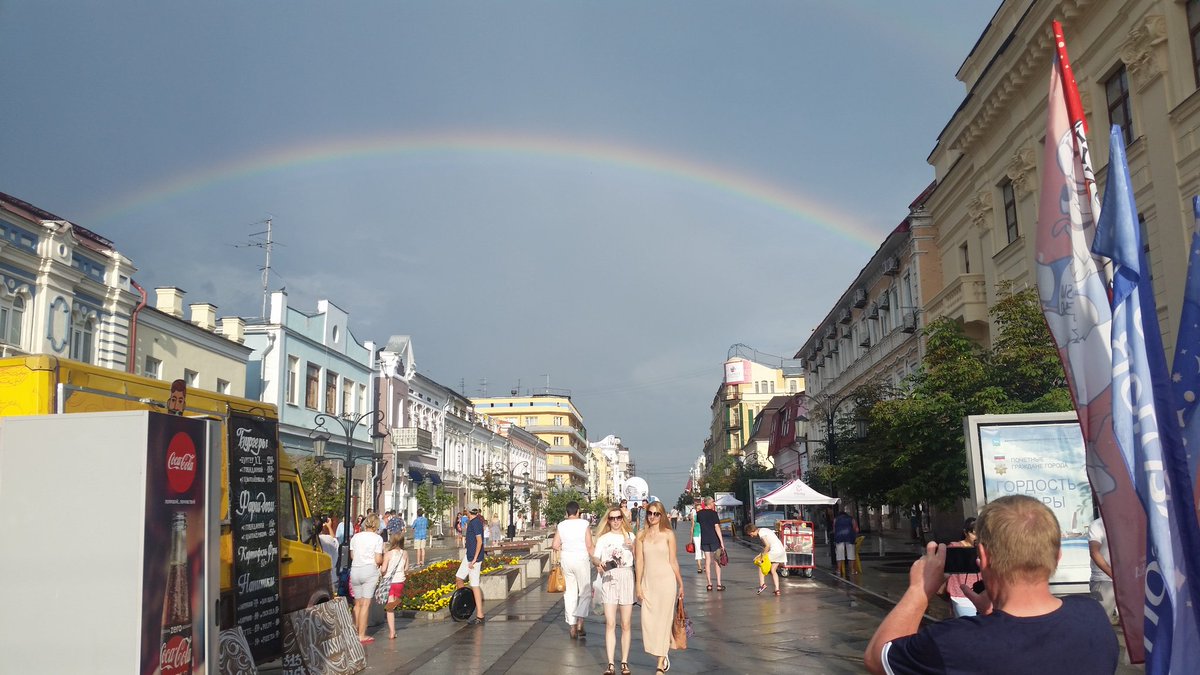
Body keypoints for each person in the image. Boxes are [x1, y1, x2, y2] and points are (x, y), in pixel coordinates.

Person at [863, 495, 1118, 675]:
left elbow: (878, 658)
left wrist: (919, 591)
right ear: (1057, 554)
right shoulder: (1093, 617)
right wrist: (991, 616)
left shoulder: (954, 641)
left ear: (983, 557)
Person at [635, 501, 684, 674]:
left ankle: (660, 662)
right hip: (648, 582)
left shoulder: (668, 534)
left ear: (662, 515)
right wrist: (638, 584)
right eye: (650, 513)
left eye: (656, 514)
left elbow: (673, 560)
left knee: (664, 621)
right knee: (648, 621)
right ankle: (662, 649)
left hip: (666, 582)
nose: (652, 517)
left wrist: (680, 583)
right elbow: (639, 561)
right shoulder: (641, 535)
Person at [592, 505, 636, 675]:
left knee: (626, 624)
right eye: (613, 518)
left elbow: (639, 557)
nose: (616, 521)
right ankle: (610, 663)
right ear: (608, 520)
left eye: (619, 518)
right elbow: (595, 557)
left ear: (622, 519)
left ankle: (624, 661)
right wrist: (598, 563)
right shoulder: (603, 538)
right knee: (610, 623)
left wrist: (632, 547)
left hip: (626, 577)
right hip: (609, 578)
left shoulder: (630, 536)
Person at [552, 500, 595, 639]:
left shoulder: (561, 525)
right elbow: (589, 545)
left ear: (567, 512)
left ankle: (572, 626)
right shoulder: (584, 524)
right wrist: (596, 558)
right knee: (584, 591)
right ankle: (580, 621)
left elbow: (555, 544)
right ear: (578, 512)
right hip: (581, 559)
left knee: (569, 593)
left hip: (566, 560)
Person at [348, 513, 384, 643]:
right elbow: (378, 559)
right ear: (376, 525)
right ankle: (362, 635)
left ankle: (353, 632)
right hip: (369, 570)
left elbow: (352, 555)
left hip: (355, 570)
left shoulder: (356, 537)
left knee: (357, 604)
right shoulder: (377, 539)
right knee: (366, 604)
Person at [943, 517, 981, 617]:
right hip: (960, 596)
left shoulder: (983, 548)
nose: (977, 537)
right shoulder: (954, 547)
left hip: (981, 594)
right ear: (966, 533)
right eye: (973, 533)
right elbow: (947, 569)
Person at [455, 505, 487, 625]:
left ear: (468, 511)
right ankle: (464, 604)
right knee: (459, 578)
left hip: (474, 559)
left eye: (466, 511)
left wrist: (474, 559)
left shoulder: (476, 523)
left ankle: (480, 615)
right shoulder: (473, 522)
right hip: (468, 556)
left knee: (474, 585)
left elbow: (479, 542)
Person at [1088, 515, 1118, 624]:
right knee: (1100, 623)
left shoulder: (1129, 522)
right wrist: (1114, 575)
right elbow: (1094, 552)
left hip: (1127, 581)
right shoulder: (1098, 524)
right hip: (1104, 580)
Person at [746, 522, 784, 596]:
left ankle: (762, 585)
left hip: (775, 550)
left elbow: (767, 546)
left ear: (752, 531)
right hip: (781, 551)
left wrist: (761, 557)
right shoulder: (764, 529)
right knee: (773, 570)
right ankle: (777, 589)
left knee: (760, 564)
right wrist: (760, 555)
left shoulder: (761, 533)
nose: (751, 536)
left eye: (750, 534)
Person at [381, 533, 408, 638]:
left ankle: (392, 632)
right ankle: (396, 602)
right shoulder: (404, 553)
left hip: (390, 582)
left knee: (389, 608)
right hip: (400, 581)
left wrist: (381, 572)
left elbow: (383, 569)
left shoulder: (388, 554)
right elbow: (406, 569)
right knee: (393, 603)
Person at [695, 496, 725, 591]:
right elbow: (717, 527)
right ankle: (719, 584)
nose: (714, 504)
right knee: (716, 561)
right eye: (713, 502)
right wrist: (721, 541)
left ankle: (709, 584)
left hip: (704, 539)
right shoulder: (714, 513)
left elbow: (700, 524)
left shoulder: (699, 514)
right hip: (714, 539)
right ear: (709, 503)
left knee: (707, 561)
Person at [832, 510, 858, 577]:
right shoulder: (851, 519)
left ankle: (838, 570)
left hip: (839, 537)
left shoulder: (836, 519)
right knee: (851, 553)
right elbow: (856, 529)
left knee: (839, 554)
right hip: (850, 537)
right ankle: (852, 570)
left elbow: (834, 530)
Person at [317, 515, 340, 588]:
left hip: (318, 577)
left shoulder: (313, 541)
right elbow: (334, 540)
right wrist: (329, 527)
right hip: (331, 577)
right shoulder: (328, 539)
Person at [690, 507, 703, 573]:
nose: (699, 509)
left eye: (700, 508)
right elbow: (692, 527)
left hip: (704, 534)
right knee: (698, 550)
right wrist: (691, 539)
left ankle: (705, 565)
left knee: (704, 550)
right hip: (696, 535)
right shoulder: (694, 517)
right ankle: (699, 566)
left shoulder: (704, 516)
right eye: (698, 508)